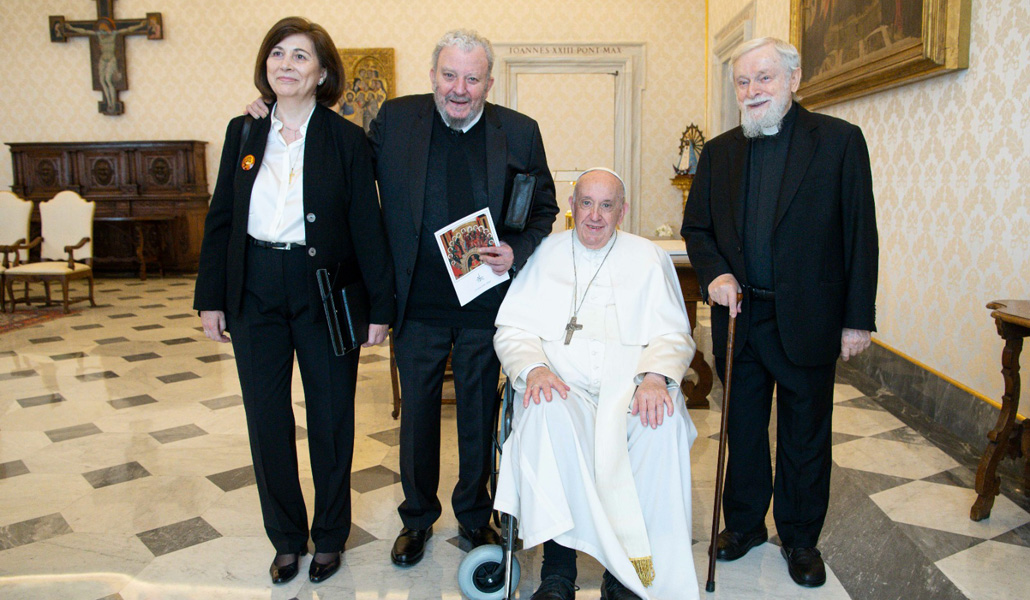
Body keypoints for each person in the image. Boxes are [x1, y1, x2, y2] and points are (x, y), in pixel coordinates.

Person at [194, 16, 395, 586]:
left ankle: (330, 536)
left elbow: (367, 225)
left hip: (325, 293)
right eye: (277, 54)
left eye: (300, 56)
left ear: (323, 72)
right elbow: (222, 217)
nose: (286, 64)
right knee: (266, 420)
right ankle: (286, 538)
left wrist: (379, 308)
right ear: (266, 66)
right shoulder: (243, 131)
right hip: (254, 288)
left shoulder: (346, 139)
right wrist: (212, 297)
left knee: (332, 419)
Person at [681, 37, 878, 588]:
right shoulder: (720, 151)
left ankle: (799, 537)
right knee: (742, 428)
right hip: (742, 319)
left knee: (804, 433)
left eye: (763, 78)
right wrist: (717, 272)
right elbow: (697, 227)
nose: (752, 91)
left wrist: (857, 317)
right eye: (743, 82)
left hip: (809, 316)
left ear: (793, 80)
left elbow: (860, 233)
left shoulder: (839, 143)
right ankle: (743, 526)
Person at [370, 30, 558, 567]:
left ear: (488, 83)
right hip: (418, 302)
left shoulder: (520, 132)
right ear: (432, 75)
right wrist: (278, 109)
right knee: (418, 416)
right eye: (449, 75)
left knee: (478, 411)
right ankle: (417, 519)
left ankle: (475, 517)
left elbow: (542, 206)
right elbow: (350, 172)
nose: (459, 88)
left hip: (485, 305)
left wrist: (515, 248)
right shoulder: (397, 120)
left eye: (472, 78)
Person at [493, 168, 699, 600]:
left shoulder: (647, 257)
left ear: (622, 211)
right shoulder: (545, 253)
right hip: (564, 388)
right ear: (571, 207)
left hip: (629, 391)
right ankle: (557, 572)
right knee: (546, 413)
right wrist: (534, 369)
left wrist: (655, 377)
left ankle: (628, 575)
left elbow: (673, 335)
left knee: (660, 424)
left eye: (607, 206)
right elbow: (512, 330)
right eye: (586, 203)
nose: (595, 216)